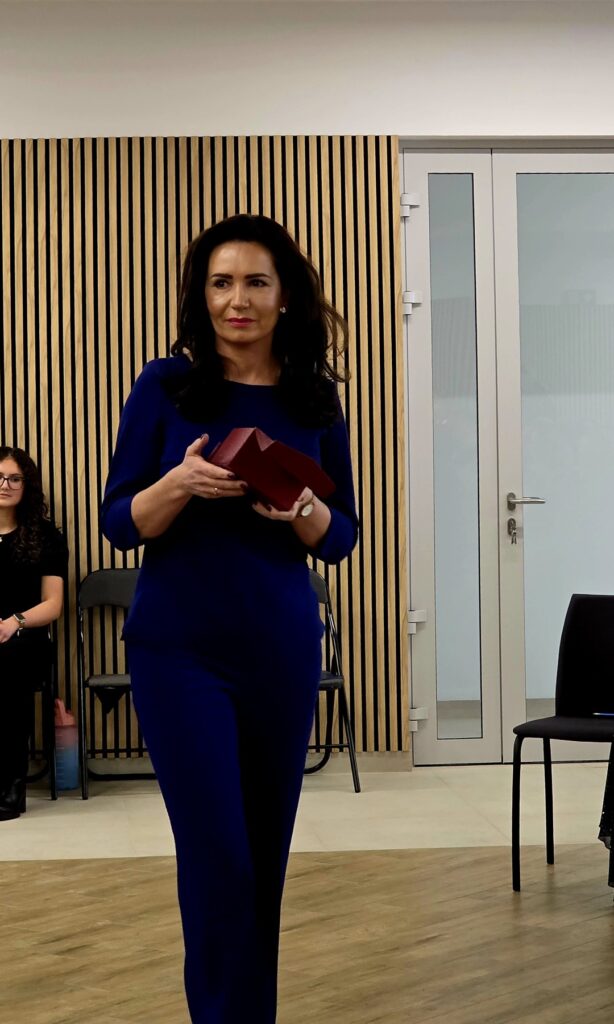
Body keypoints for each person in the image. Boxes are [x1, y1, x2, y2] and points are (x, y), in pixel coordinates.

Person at [101, 214, 359, 1024]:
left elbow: (342, 536)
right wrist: (179, 484)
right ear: (200, 295)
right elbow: (119, 522)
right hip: (178, 652)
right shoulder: (165, 387)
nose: (236, 300)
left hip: (280, 648)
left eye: (254, 282)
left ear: (284, 297)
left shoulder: (314, 397)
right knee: (218, 859)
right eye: (220, 283)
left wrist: (304, 509)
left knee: (262, 862)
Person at [0, 447, 68, 821]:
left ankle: (12, 785)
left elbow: (53, 604)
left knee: (9, 665)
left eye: (14, 478)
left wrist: (13, 623)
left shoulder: (45, 536)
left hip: (26, 637)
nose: (5, 485)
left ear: (27, 485)